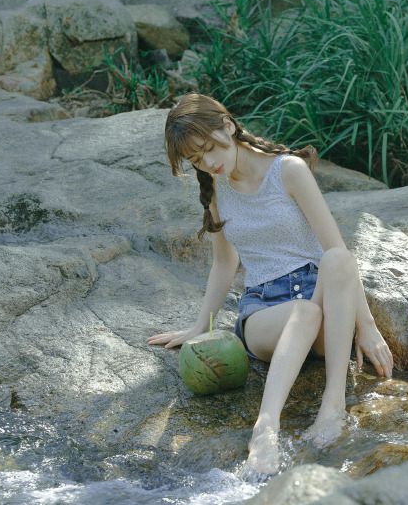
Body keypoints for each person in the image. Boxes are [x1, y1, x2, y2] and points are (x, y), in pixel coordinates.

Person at [147, 93, 394, 477]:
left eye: (209, 148)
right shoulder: (217, 189)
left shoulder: (289, 171)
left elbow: (336, 251)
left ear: (227, 125)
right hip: (265, 311)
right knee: (303, 312)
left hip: (321, 300)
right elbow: (225, 263)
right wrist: (200, 327)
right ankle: (266, 429)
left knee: (337, 260)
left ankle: (333, 405)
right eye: (197, 160)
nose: (209, 163)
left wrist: (368, 325)